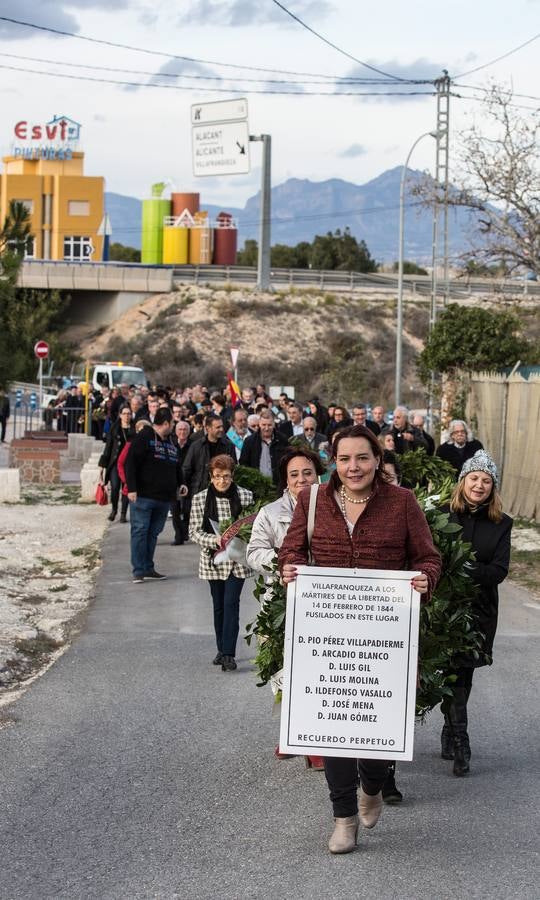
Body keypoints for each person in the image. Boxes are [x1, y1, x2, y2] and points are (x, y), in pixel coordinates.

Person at [279, 425, 441, 854]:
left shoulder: (402, 503)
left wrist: (425, 579)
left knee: (376, 729)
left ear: (376, 458)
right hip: (328, 632)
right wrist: (291, 570)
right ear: (334, 461)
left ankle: (372, 785)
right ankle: (343, 819)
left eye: (363, 458)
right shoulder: (312, 500)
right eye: (345, 459)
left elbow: (428, 557)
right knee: (333, 728)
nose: (354, 467)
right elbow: (292, 551)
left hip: (384, 635)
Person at [246, 446, 325, 767]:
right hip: (280, 603)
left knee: (317, 670)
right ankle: (291, 730)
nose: (301, 479)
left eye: (307, 473)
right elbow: (253, 552)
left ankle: (316, 741)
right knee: (283, 668)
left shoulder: (334, 508)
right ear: (285, 480)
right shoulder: (270, 513)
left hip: (321, 603)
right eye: (294, 475)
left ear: (318, 475)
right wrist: (281, 563)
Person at [439, 450, 512, 777]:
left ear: (492, 488)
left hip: (478, 611)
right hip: (442, 608)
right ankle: (450, 726)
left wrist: (464, 569)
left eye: (486, 480)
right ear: (463, 481)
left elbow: (498, 570)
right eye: (474, 478)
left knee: (463, 672)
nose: (479, 484)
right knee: (443, 672)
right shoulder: (441, 515)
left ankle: (460, 740)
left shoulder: (502, 524)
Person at [190, 454, 254, 672]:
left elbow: (253, 526)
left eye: (226, 476)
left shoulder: (245, 496)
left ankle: (229, 653)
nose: (222, 481)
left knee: (231, 603)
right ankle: (221, 648)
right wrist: (216, 540)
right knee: (218, 607)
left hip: (237, 561)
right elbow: (194, 532)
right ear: (210, 476)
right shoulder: (200, 499)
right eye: (217, 477)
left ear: (232, 475)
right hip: (213, 560)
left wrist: (241, 538)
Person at [125, 407, 181, 583]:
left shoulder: (171, 441)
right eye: (172, 423)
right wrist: (132, 488)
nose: (173, 426)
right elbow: (130, 462)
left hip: (164, 498)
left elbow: (177, 466)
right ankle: (139, 570)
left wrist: (181, 484)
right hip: (143, 496)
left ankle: (148, 567)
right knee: (140, 532)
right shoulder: (144, 437)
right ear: (165, 423)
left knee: (153, 533)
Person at [181, 413, 236, 497]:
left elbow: (234, 468)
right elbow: (187, 469)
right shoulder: (196, 446)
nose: (221, 429)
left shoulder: (229, 445)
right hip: (199, 491)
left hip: (223, 491)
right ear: (208, 428)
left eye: (222, 426)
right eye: (218, 427)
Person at [98, 405, 134, 522]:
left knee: (126, 489)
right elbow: (108, 447)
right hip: (115, 463)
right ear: (120, 415)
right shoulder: (114, 429)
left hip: (129, 464)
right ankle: (114, 510)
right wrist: (102, 464)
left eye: (129, 413)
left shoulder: (134, 429)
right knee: (114, 488)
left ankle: (123, 514)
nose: (127, 416)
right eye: (124, 413)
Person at [240, 409, 288, 485]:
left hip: (278, 485)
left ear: (274, 424)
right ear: (259, 424)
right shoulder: (249, 441)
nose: (266, 428)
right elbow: (244, 463)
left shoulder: (283, 440)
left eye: (269, 425)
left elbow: (287, 461)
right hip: (257, 486)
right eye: (264, 425)